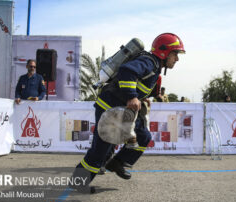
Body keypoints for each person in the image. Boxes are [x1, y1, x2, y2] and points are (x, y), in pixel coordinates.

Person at [70, 33, 185, 192]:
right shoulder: (149, 62)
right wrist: (132, 97)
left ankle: (117, 163)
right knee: (100, 149)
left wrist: (141, 98)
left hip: (122, 111)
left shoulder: (155, 67)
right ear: (164, 52)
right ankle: (77, 183)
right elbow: (126, 71)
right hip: (109, 108)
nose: (177, 59)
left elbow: (137, 84)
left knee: (144, 137)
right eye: (175, 54)